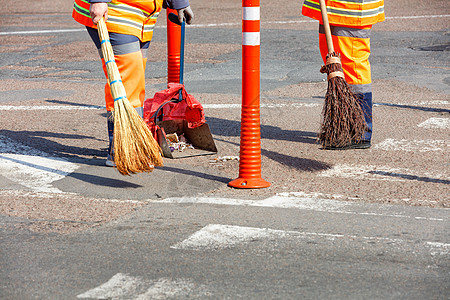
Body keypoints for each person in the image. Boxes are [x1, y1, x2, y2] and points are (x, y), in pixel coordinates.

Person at [72, 0, 193, 166]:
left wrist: (178, 2)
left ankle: (128, 145)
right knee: (126, 81)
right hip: (117, 11)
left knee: (134, 81)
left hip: (142, 15)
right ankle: (122, 149)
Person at [302, 0, 385, 149]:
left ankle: (359, 131)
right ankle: (344, 127)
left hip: (350, 9)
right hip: (334, 8)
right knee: (334, 60)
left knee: (352, 65)